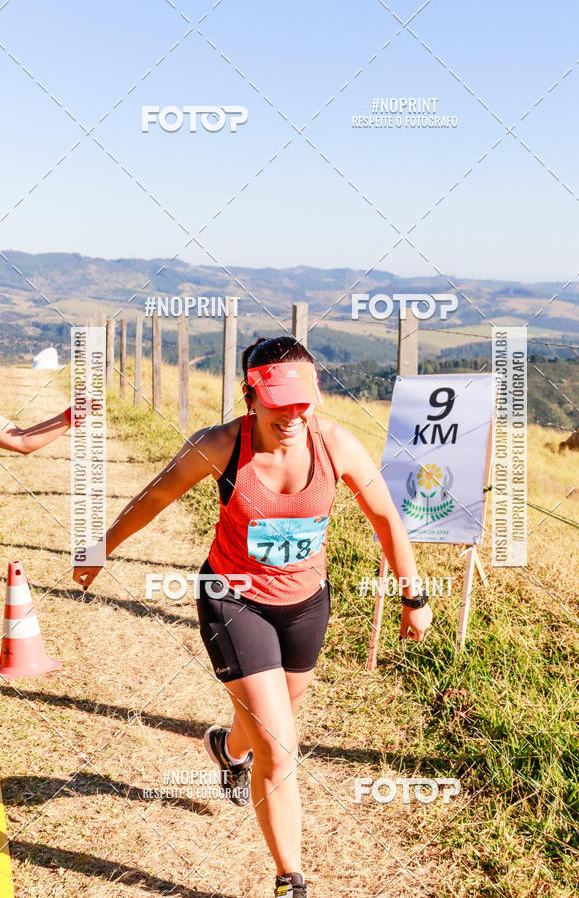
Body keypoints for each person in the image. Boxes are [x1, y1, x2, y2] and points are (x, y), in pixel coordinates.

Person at [73, 336, 432, 898]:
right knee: (280, 745)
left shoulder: (336, 445)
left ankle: (226, 749)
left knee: (270, 719)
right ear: (250, 397)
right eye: (277, 402)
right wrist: (102, 546)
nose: (291, 415)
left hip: (306, 604)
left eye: (302, 403)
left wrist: (414, 598)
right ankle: (292, 879)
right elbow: (154, 496)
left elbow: (386, 516)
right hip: (232, 599)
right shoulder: (220, 447)